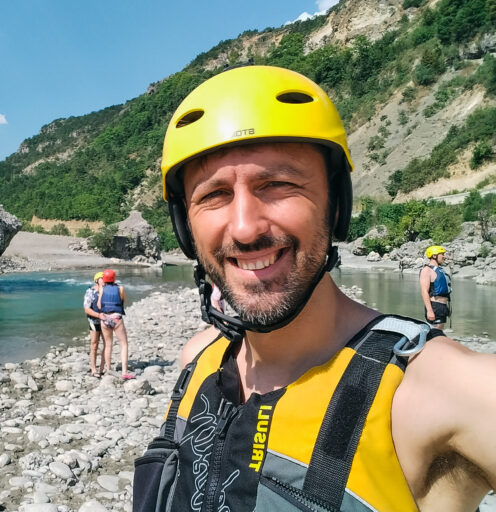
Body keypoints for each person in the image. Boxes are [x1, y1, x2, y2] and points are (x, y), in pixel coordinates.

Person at [132, 65, 496, 512]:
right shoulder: (198, 362)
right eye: (214, 195)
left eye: (279, 184)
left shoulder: (437, 391)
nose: (245, 228)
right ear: (185, 229)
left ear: (336, 204)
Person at [97, 269, 134, 380]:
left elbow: (99, 305)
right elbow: (124, 300)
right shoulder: (120, 288)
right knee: (124, 344)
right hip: (117, 318)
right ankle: (124, 371)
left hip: (105, 319)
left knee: (108, 345)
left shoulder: (101, 288)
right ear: (114, 278)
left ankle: (109, 369)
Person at [419, 245, 451, 326]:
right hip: (435, 306)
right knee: (435, 333)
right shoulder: (426, 270)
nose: (444, 256)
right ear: (434, 255)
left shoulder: (440, 270)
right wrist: (430, 311)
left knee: (439, 331)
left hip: (443, 306)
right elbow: (424, 291)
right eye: (442, 254)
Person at [83, 271, 106, 377]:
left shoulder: (108, 291)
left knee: (107, 344)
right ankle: (93, 368)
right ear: (97, 280)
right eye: (102, 278)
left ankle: (102, 367)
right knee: (94, 344)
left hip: (105, 321)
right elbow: (87, 309)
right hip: (94, 321)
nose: (105, 280)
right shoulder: (90, 292)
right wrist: (98, 315)